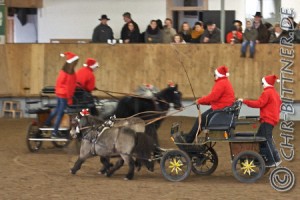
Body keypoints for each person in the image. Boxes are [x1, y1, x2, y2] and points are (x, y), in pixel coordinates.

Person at [183, 66, 235, 143]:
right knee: (201, 119)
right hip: (222, 108)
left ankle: (188, 140)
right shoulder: (225, 82)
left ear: (218, 75)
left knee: (200, 120)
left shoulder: (221, 83)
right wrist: (201, 101)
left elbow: (212, 97)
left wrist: (199, 100)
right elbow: (214, 99)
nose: (214, 76)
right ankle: (189, 137)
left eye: (215, 74)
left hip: (220, 110)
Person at [239, 75, 282, 167]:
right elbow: (278, 106)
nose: (262, 85)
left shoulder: (267, 92)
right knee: (262, 138)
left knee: (265, 140)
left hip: (268, 120)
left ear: (266, 83)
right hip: (271, 120)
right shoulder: (274, 93)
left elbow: (259, 103)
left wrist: (244, 101)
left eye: (262, 83)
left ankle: (271, 160)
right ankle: (271, 158)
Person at [44, 52, 79, 138]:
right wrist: (70, 98)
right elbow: (69, 87)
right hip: (64, 95)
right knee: (60, 113)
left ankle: (47, 123)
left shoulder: (63, 71)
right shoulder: (70, 74)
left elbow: (60, 83)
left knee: (56, 110)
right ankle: (54, 132)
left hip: (59, 94)